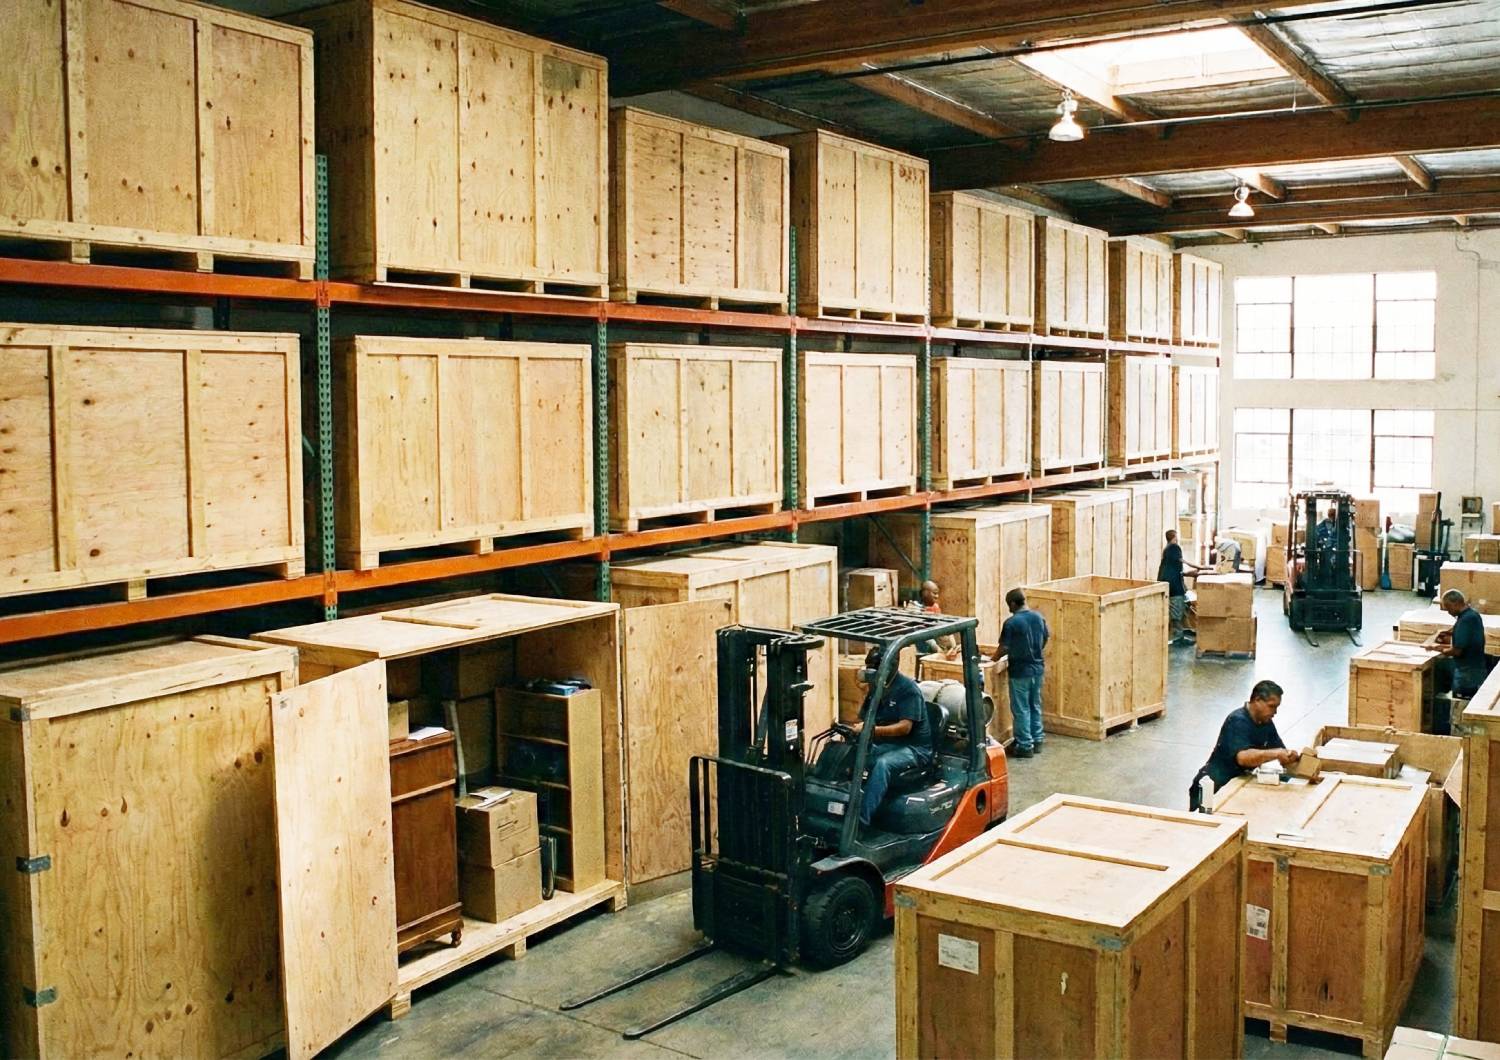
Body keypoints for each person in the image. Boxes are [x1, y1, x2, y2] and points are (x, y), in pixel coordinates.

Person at [849, 645, 933, 827]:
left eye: (874, 668)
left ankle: (860, 822)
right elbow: (863, 717)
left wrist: (871, 730)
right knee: (852, 753)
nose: (870, 672)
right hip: (891, 744)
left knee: (883, 764)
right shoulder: (877, 687)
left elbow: (905, 728)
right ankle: (846, 808)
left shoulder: (907, 689)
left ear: (890, 666)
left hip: (914, 748)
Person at [1189, 680, 1299, 810]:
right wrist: (1276, 753)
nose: (1275, 712)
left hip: (1237, 782)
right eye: (1271, 706)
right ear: (1257, 700)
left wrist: (1291, 758)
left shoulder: (1265, 722)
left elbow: (1280, 750)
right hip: (1214, 786)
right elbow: (1243, 758)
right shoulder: (1237, 720)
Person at [995, 588, 1048, 758]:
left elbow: (1004, 647)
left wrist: (991, 659)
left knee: (1021, 708)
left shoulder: (1011, 623)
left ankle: (1025, 745)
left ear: (1012, 604)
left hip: (1020, 672)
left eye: (1008, 605)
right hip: (1038, 669)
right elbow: (1045, 638)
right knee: (1035, 705)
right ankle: (1037, 739)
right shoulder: (1039, 617)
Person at [1431, 589, 1489, 700]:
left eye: (1448, 608)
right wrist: (1449, 632)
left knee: (1460, 704)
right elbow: (1465, 633)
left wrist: (1440, 650)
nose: (1448, 612)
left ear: (1455, 604)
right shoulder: (1473, 614)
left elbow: (1457, 651)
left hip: (1466, 674)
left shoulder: (1465, 621)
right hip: (1477, 668)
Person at [1160, 529, 1203, 645]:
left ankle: (1184, 631)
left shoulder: (1167, 549)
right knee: (1176, 611)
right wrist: (1201, 567)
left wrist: (1189, 573)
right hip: (1174, 585)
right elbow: (1183, 561)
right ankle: (1178, 638)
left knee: (1182, 607)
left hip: (1170, 583)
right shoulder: (1174, 547)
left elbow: (1175, 568)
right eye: (1177, 536)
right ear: (1174, 537)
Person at [911, 580, 957, 656]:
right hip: (926, 650)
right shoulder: (916, 610)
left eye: (938, 594)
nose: (937, 596)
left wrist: (953, 646)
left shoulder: (935, 607)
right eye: (934, 593)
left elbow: (944, 626)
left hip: (942, 650)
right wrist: (936, 648)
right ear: (925, 593)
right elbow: (921, 632)